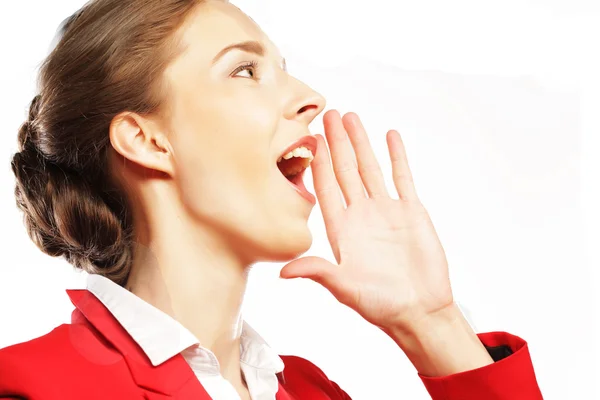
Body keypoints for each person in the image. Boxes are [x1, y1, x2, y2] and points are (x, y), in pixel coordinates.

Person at [0, 0, 544, 399]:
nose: (310, 98)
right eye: (245, 70)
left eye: (283, 68)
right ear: (146, 140)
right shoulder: (31, 386)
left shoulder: (313, 393)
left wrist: (432, 322)